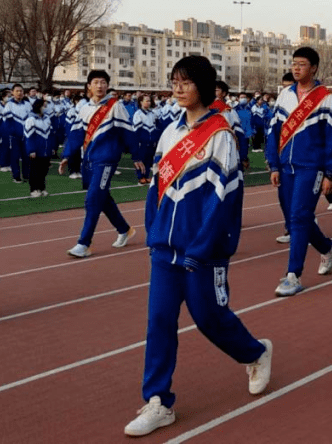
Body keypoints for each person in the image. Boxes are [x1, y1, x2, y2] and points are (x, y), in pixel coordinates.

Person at [125, 56, 272, 437]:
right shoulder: (169, 132)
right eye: (174, 80)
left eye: (185, 82)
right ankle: (158, 401)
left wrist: (202, 247)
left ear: (203, 86)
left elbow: (222, 199)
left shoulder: (221, 135)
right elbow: (157, 189)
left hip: (202, 252)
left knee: (209, 318)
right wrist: (153, 232)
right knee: (159, 322)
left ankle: (255, 353)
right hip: (165, 249)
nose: (177, 88)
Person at [266, 47, 332, 298]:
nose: (296, 68)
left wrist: (330, 172)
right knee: (295, 217)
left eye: (301, 64)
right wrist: (274, 164)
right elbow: (273, 132)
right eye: (293, 64)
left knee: (300, 215)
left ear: (313, 68)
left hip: (311, 167)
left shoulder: (326, 99)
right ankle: (328, 247)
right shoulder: (284, 97)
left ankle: (293, 275)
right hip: (286, 167)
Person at [60, 70, 143, 257]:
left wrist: (136, 156)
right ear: (89, 86)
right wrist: (66, 155)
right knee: (102, 197)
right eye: (96, 82)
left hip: (107, 159)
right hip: (88, 159)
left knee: (92, 198)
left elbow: (128, 132)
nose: (100, 86)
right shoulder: (84, 108)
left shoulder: (115, 106)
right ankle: (124, 229)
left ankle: (84, 243)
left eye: (103, 82)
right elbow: (76, 135)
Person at [25, 98, 54, 198]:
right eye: (44, 106)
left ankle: (42, 188)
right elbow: (29, 137)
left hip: (46, 150)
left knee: (43, 170)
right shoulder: (31, 119)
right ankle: (34, 189)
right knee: (34, 170)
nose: (45, 108)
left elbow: (50, 134)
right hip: (36, 150)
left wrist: (52, 147)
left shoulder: (47, 118)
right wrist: (31, 150)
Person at [4, 84, 32, 183]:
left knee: (26, 156)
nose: (19, 93)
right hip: (14, 136)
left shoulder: (27, 104)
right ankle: (16, 176)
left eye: (21, 91)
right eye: (17, 91)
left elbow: (31, 119)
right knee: (15, 156)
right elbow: (8, 121)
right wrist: (12, 133)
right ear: (12, 92)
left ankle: (26, 175)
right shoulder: (9, 105)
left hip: (26, 135)